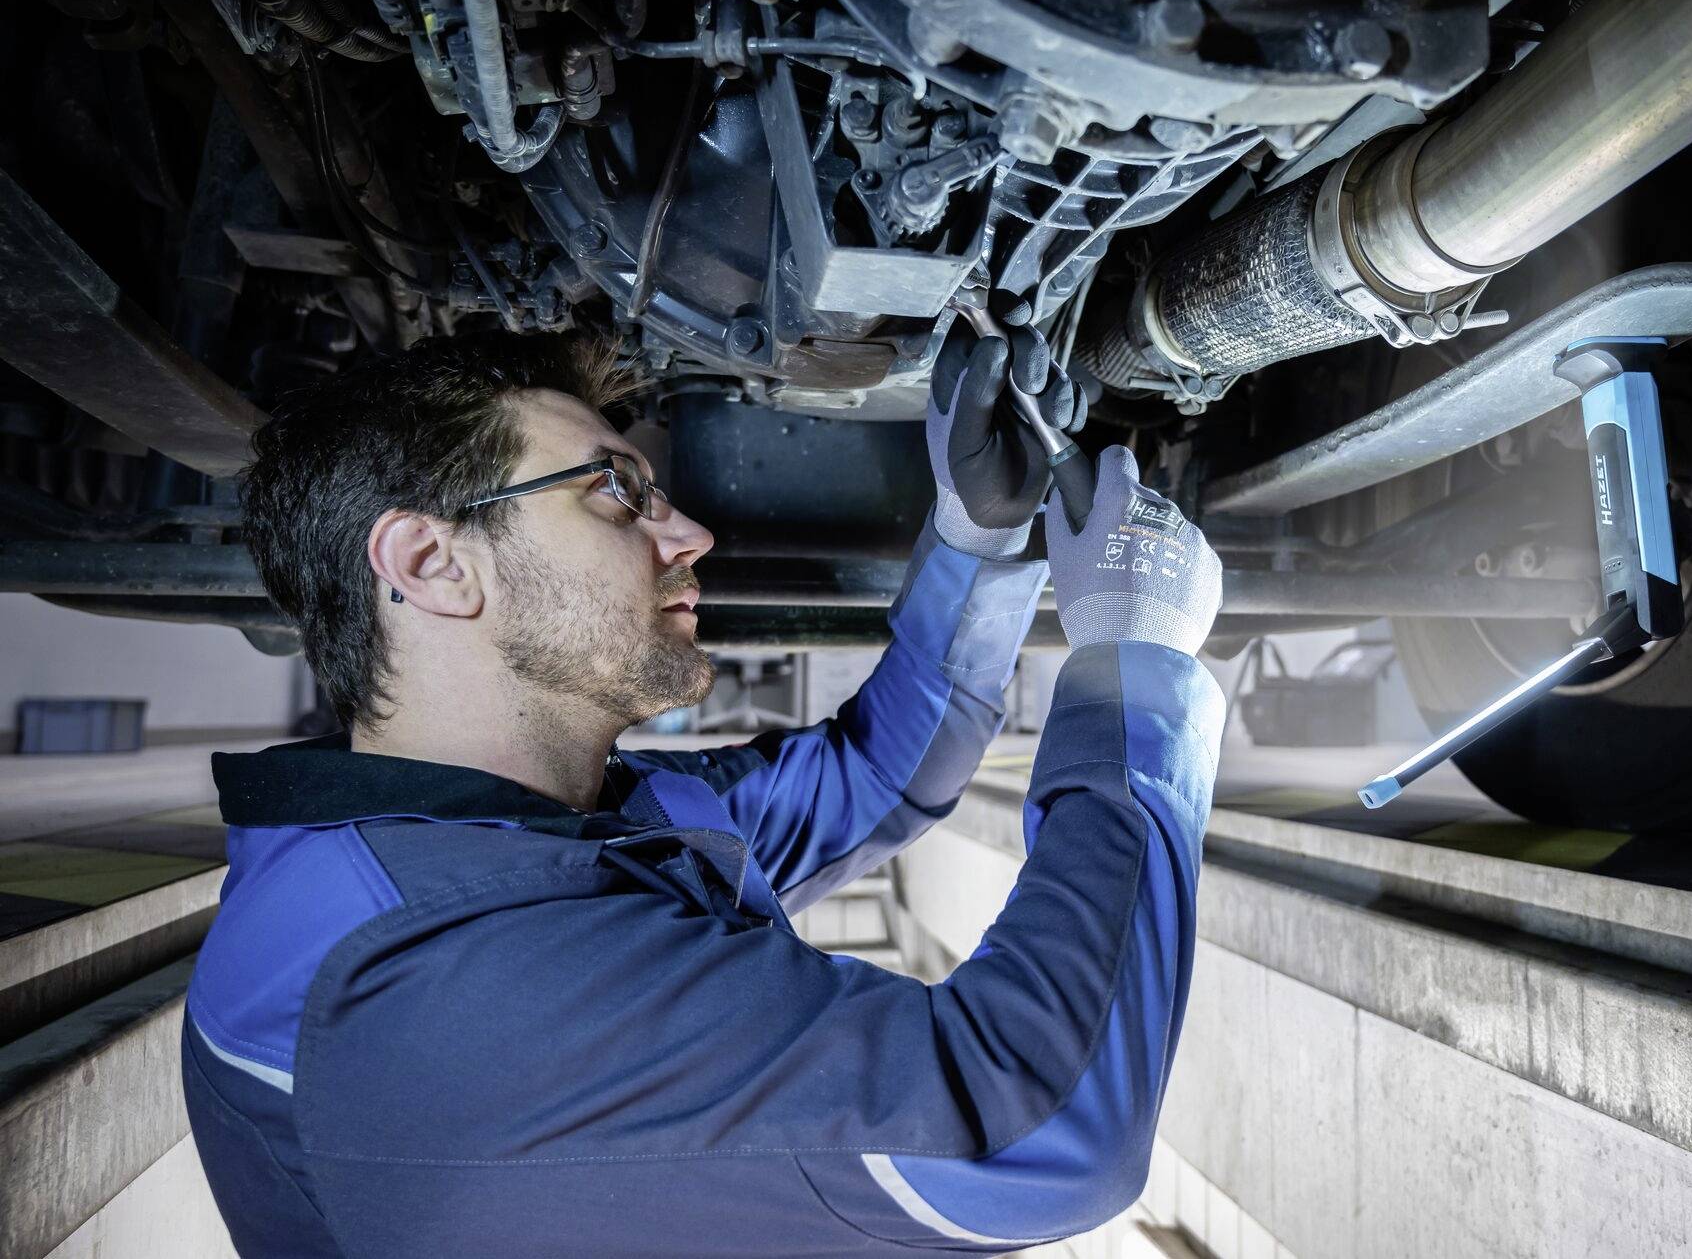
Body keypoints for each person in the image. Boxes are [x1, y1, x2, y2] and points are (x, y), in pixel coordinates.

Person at [182, 309, 1226, 1257]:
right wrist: (1137, 666)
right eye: (614, 491)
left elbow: (873, 777)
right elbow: (1034, 1135)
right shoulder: (421, 983)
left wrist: (978, 537)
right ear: (431, 563)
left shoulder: (558, 829)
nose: (689, 535)